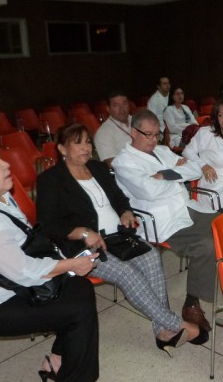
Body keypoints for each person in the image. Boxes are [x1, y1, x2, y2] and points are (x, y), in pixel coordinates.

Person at [36, 123, 208, 354]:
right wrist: (83, 232)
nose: (86, 147)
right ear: (62, 148)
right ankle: (177, 324)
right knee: (129, 274)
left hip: (117, 237)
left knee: (151, 257)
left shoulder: (97, 168)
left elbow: (118, 198)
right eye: (78, 143)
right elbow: (48, 225)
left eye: (88, 141)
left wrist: (126, 211)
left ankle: (163, 331)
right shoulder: (51, 180)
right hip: (82, 247)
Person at [0, 141, 99, 381]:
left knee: (79, 288)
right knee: (78, 308)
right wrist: (71, 264)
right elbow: (23, 271)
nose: (6, 164)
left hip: (7, 285)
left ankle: (59, 359)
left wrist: (64, 265)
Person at [112, 109, 218, 332]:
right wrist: (176, 171)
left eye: (156, 134)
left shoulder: (162, 150)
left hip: (187, 207)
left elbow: (194, 168)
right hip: (162, 219)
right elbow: (149, 191)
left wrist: (164, 174)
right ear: (133, 132)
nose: (153, 140)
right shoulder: (123, 163)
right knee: (207, 245)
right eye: (147, 134)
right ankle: (191, 303)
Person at [93, 90, 133, 167]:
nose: (121, 109)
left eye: (124, 104)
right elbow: (112, 163)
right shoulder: (103, 133)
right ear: (108, 109)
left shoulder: (138, 121)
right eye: (116, 105)